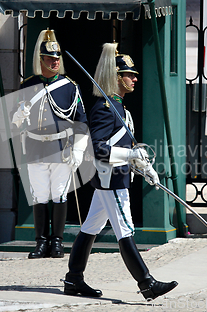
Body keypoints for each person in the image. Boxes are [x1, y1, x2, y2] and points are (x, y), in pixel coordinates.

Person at [63, 43, 178, 301]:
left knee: (91, 227)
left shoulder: (120, 109)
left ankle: (73, 279)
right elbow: (99, 148)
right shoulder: (104, 108)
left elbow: (129, 145)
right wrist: (130, 156)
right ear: (116, 77)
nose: (135, 78)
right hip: (112, 178)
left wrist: (146, 167)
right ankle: (147, 284)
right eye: (130, 74)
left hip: (116, 176)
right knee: (125, 229)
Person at [12, 29, 88, 259]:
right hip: (35, 147)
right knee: (39, 195)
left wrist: (78, 150)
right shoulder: (28, 85)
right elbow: (14, 124)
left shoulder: (69, 86)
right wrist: (18, 116)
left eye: (57, 59)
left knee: (59, 194)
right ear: (41, 60)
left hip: (60, 148)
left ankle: (57, 242)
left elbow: (81, 122)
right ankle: (41, 242)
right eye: (50, 59)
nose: (55, 63)